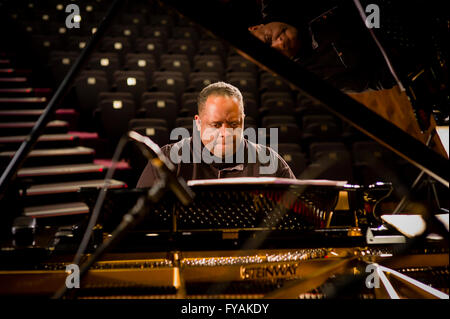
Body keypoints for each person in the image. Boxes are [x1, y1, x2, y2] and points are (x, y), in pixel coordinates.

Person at [136, 82, 295, 188]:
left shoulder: (271, 162)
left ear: (243, 120)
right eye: (216, 125)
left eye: (234, 124)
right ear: (198, 123)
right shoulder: (168, 159)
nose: (225, 133)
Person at [247, 0, 397, 93]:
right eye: (277, 54)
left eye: (268, 39)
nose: (280, 43)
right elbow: (379, 79)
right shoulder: (317, 77)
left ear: (255, 28)